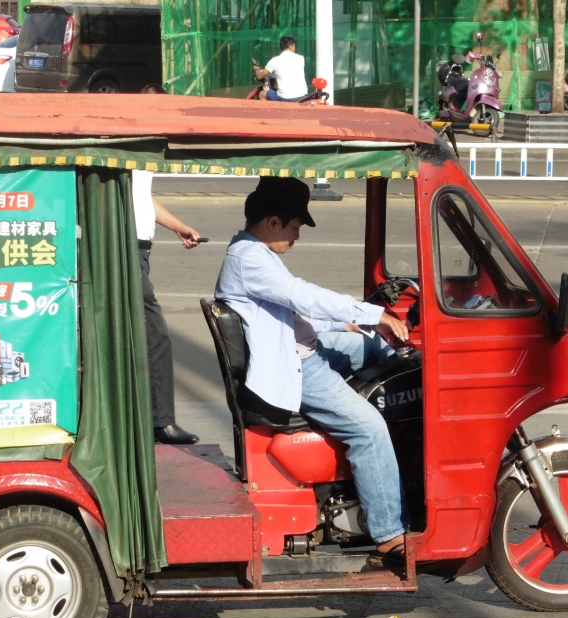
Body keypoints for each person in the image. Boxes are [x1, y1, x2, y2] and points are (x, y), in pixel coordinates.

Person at [215, 176, 410, 565]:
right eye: (295, 226)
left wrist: (354, 324)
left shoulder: (256, 253)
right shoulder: (249, 258)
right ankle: (389, 534)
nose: (297, 236)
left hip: (306, 346)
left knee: (381, 351)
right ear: (272, 222)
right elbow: (302, 295)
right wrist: (373, 314)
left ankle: (387, 471)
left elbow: (289, 313)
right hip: (299, 365)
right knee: (370, 430)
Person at [132, 169, 202, 445]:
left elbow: (140, 195)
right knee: (154, 334)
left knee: (148, 335)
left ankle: (152, 418)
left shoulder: (137, 156)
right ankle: (160, 421)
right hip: (124, 249)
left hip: (140, 250)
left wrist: (176, 225)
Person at [253, 35, 309, 102]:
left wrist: (257, 69)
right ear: (291, 46)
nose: (295, 48)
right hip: (303, 95)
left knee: (262, 94)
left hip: (285, 97)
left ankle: (271, 112)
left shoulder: (274, 61)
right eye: (294, 46)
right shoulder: (300, 58)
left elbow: (259, 76)